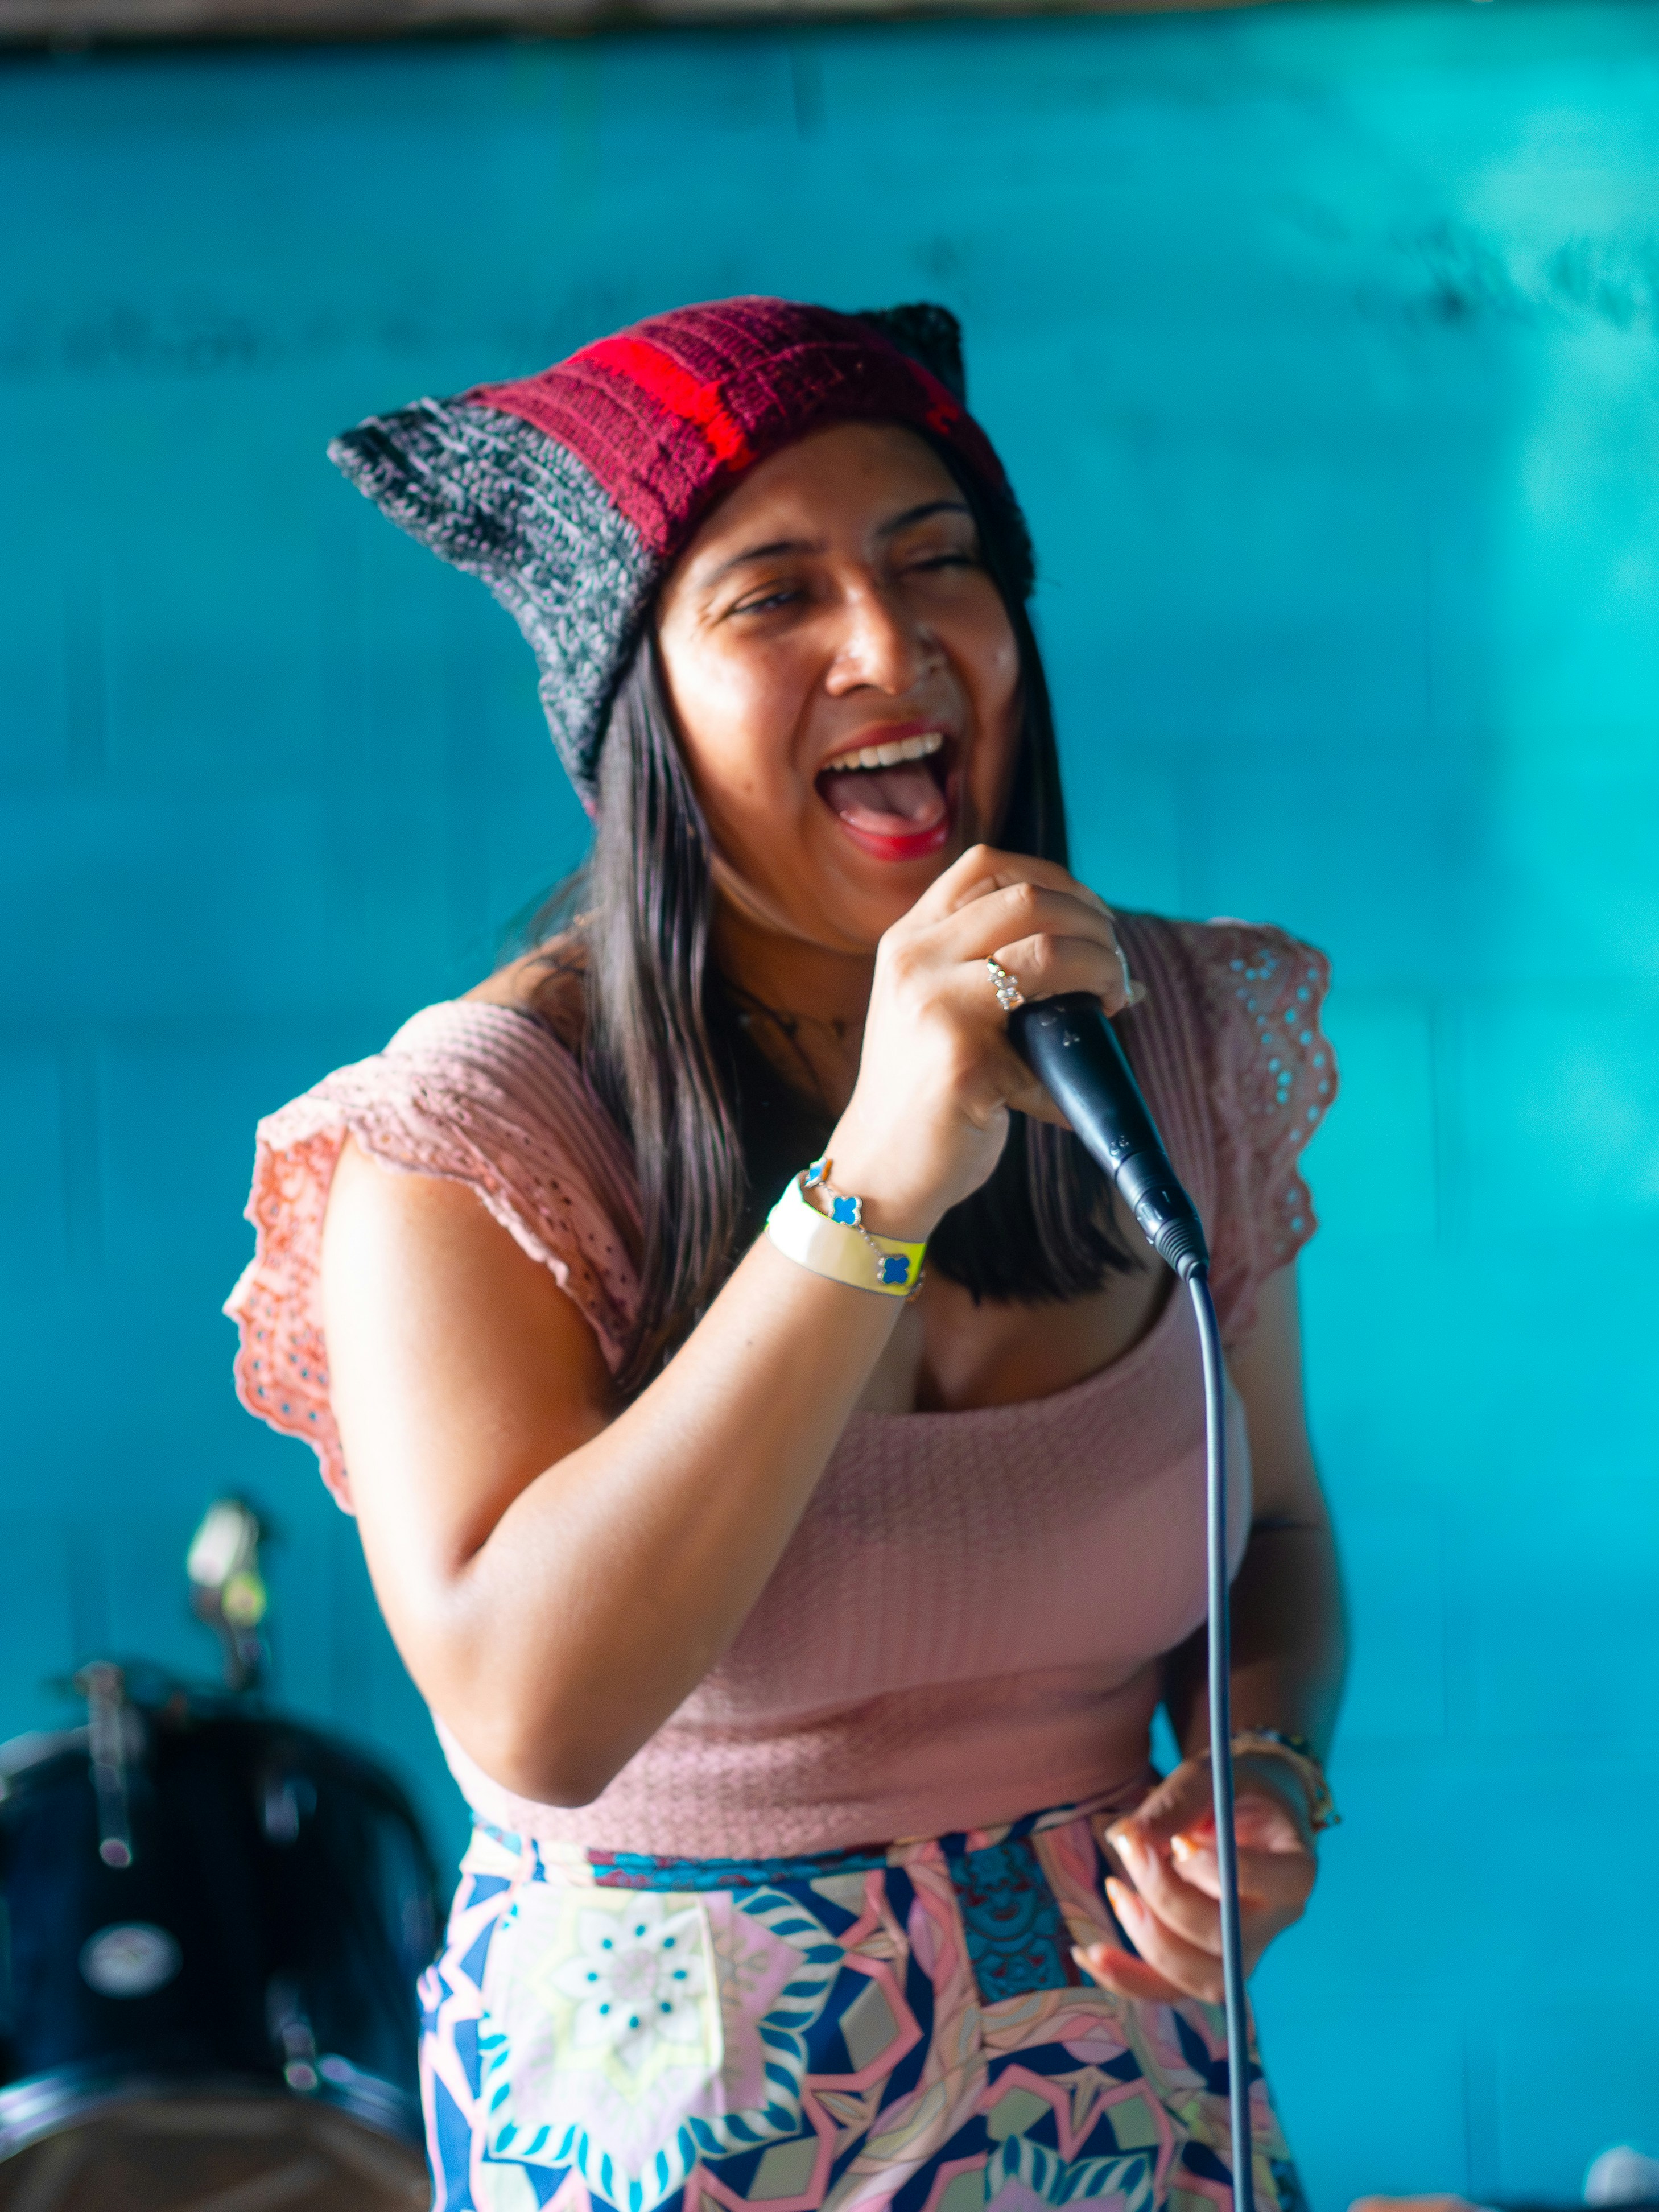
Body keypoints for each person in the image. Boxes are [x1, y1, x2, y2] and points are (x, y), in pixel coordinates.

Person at [228, 298, 1346, 2212]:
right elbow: (533, 1711)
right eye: (773, 597)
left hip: (1124, 2102)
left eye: (940, 564)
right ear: (633, 701)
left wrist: (1258, 1767)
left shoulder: (1158, 1032)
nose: (892, 649)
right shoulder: (477, 1135)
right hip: (679, 2126)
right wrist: (869, 1193)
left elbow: (1280, 1536)